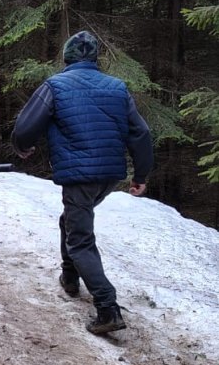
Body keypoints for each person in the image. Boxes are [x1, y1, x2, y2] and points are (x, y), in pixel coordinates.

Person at [11, 29, 153, 335]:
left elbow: (24, 127)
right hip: (109, 175)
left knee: (80, 240)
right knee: (72, 221)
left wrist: (23, 146)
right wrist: (141, 175)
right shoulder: (117, 87)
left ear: (67, 57)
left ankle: (107, 308)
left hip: (79, 175)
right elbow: (140, 133)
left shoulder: (55, 85)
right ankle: (70, 278)